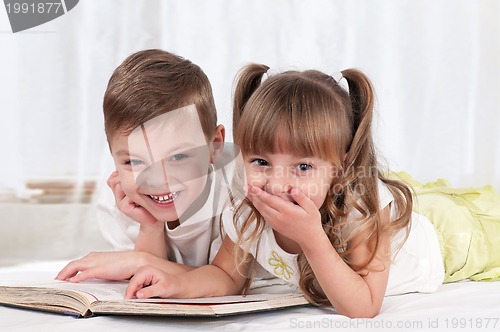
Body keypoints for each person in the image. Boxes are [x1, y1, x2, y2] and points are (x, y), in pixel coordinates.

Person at [128, 64, 500, 317]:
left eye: (302, 166)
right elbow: (226, 277)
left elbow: (364, 306)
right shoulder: (248, 210)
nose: (277, 183)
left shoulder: (361, 210)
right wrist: (176, 282)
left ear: (339, 168)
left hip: (452, 240)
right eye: (261, 162)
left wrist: (312, 238)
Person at [56, 49, 236, 282]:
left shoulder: (236, 194)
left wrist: (139, 261)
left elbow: (228, 278)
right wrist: (150, 227)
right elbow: (151, 278)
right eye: (134, 161)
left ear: (215, 146)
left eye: (178, 157)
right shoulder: (119, 204)